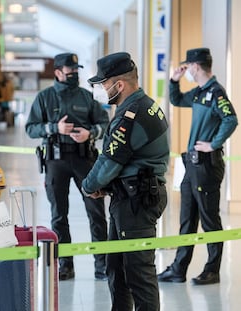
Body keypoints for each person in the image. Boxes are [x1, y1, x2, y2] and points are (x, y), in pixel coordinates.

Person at [81, 52, 169, 311]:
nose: (101, 90)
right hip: (129, 196)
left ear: (119, 85)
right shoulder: (144, 104)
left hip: (136, 202)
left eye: (103, 84)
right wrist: (107, 187)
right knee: (117, 268)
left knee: (138, 273)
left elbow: (110, 161)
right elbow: (132, 159)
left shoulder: (130, 115)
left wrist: (89, 186)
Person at [157, 48, 238, 285]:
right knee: (187, 219)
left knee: (210, 220)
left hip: (206, 166)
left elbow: (231, 119)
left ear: (195, 66)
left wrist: (214, 144)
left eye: (188, 67)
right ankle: (178, 268)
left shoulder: (216, 93)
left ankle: (212, 270)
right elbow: (176, 99)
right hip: (191, 165)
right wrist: (173, 81)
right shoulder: (200, 92)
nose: (188, 71)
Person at [25, 53, 110, 281]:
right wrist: (54, 128)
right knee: (58, 216)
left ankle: (102, 265)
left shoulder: (86, 96)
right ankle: (65, 265)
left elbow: (104, 123)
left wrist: (90, 133)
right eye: (70, 70)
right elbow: (31, 128)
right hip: (56, 160)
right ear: (58, 72)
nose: (74, 74)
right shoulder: (44, 98)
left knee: (96, 212)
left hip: (85, 159)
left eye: (76, 70)